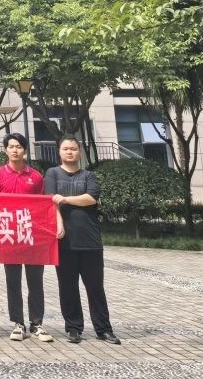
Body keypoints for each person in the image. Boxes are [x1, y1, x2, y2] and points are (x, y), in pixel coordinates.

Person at [0, 132, 59, 343]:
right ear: (6, 150)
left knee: (35, 280)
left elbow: (44, 205)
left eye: (18, 147)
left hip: (32, 235)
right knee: (13, 281)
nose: (15, 150)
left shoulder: (35, 177)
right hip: (9, 235)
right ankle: (18, 323)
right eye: (11, 146)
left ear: (24, 150)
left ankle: (37, 323)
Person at [46, 136, 119, 345]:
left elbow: (91, 198)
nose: (70, 152)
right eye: (65, 148)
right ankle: (73, 328)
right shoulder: (52, 174)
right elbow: (50, 201)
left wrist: (65, 199)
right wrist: (58, 223)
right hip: (64, 242)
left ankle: (103, 329)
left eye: (73, 148)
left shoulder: (89, 175)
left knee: (95, 287)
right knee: (68, 287)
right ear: (59, 151)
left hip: (90, 240)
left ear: (79, 152)